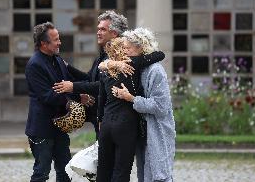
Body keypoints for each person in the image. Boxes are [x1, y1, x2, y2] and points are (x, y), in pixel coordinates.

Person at [52, 10, 133, 138]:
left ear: (114, 34)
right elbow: (90, 78)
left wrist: (73, 86)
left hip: (113, 119)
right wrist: (67, 67)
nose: (98, 33)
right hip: (100, 118)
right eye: (98, 29)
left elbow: (104, 85)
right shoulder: (102, 56)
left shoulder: (119, 59)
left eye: (102, 29)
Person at [96, 36, 165, 182]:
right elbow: (160, 54)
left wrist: (109, 63)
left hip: (106, 124)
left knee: (103, 170)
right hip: (125, 125)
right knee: (121, 171)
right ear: (121, 51)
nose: (127, 50)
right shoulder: (133, 63)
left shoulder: (105, 72)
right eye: (125, 47)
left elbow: (101, 99)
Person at [25, 22, 88, 182]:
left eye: (59, 38)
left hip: (59, 128)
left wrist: (80, 92)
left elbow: (69, 83)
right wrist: (75, 100)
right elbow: (47, 96)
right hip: (42, 129)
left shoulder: (57, 59)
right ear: (43, 44)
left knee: (65, 171)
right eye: (55, 40)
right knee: (41, 173)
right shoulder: (34, 64)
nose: (59, 42)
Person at [111, 28, 176, 182]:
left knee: (159, 176)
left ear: (140, 48)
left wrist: (131, 98)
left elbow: (161, 107)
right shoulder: (137, 67)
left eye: (127, 48)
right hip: (142, 132)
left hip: (157, 130)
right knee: (145, 176)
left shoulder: (156, 71)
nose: (124, 52)